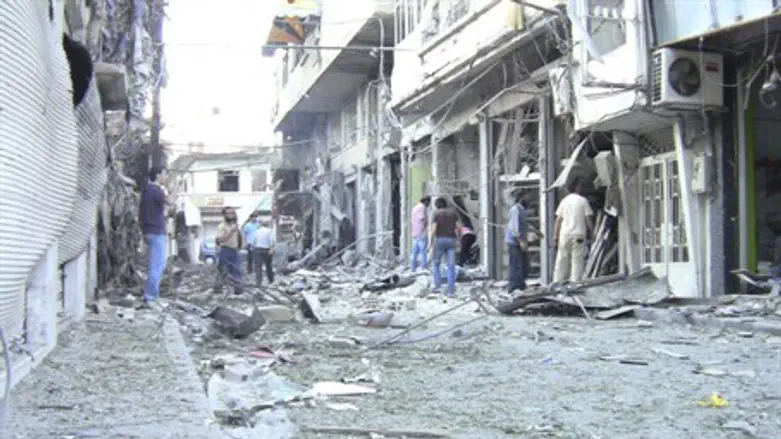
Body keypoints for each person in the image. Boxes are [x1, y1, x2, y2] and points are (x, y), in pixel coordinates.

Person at [553, 177, 594, 283]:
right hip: (578, 236)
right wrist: (593, 233)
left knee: (562, 260)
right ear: (577, 187)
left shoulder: (564, 201)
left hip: (564, 235)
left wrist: (556, 237)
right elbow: (588, 219)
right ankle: (575, 284)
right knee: (577, 260)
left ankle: (557, 283)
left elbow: (558, 220)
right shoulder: (583, 201)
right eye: (580, 185)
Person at [139, 166, 170, 306]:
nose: (166, 177)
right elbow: (170, 201)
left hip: (149, 230)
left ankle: (152, 294)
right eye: (165, 174)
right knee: (157, 264)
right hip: (156, 231)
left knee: (157, 263)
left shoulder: (146, 191)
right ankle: (151, 296)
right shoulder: (155, 190)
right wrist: (176, 189)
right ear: (158, 175)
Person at [429, 197, 460, 297]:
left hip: (440, 240)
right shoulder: (453, 213)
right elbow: (458, 228)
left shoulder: (436, 213)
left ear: (436, 205)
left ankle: (438, 286)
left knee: (436, 264)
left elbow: (434, 229)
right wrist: (459, 240)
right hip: (451, 240)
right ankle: (451, 290)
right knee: (451, 266)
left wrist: (430, 242)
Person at [215, 207, 243, 295]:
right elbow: (220, 240)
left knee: (237, 270)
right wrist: (231, 232)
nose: (231, 215)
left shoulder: (234, 225)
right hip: (225, 250)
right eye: (229, 213)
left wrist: (239, 247)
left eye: (233, 213)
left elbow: (238, 238)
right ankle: (217, 291)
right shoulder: (222, 226)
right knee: (223, 271)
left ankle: (238, 291)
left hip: (234, 251)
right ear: (224, 215)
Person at [505, 191, 529, 292]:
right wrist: (521, 241)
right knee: (516, 264)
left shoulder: (522, 209)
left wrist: (536, 231)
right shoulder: (515, 209)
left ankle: (520, 284)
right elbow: (514, 227)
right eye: (527, 196)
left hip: (519, 240)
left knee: (524, 264)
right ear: (521, 197)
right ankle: (513, 286)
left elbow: (523, 224)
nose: (529, 199)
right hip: (514, 241)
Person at [452, 196, 476, 266]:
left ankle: (461, 263)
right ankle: (467, 261)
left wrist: (459, 239)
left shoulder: (459, 222)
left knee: (463, 251)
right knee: (465, 251)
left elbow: (458, 230)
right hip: (471, 235)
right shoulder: (464, 220)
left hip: (467, 235)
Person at [409, 196, 431, 271]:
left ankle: (412, 267)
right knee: (423, 251)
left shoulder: (415, 208)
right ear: (426, 201)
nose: (429, 204)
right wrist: (426, 227)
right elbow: (422, 218)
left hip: (415, 232)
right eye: (429, 202)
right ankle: (424, 267)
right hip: (421, 232)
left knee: (415, 251)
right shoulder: (422, 207)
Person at [252, 219, 276, 286]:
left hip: (258, 249)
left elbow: (254, 242)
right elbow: (272, 241)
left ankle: (258, 283)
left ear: (261, 224)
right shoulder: (270, 231)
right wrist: (272, 248)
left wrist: (253, 248)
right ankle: (271, 281)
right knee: (268, 266)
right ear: (267, 225)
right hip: (267, 250)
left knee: (258, 267)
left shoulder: (256, 231)